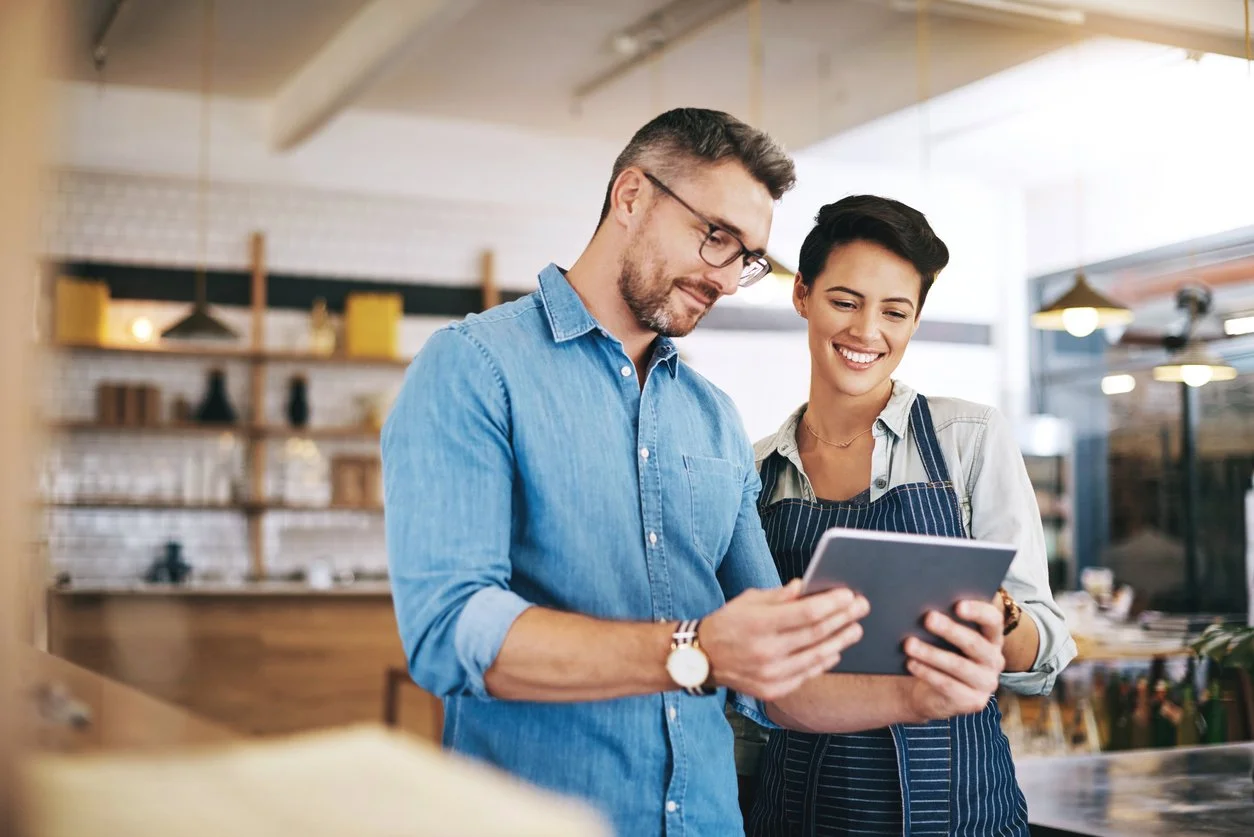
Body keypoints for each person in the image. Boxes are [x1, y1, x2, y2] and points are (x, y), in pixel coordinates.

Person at [382, 110, 1009, 837]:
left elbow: (779, 677)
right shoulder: (474, 369)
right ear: (630, 196)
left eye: (745, 258)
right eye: (715, 236)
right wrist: (696, 649)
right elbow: (449, 629)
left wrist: (920, 699)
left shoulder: (712, 416)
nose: (726, 278)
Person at [742, 195, 1077, 836]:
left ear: (914, 320)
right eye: (845, 301)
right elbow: (749, 694)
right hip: (801, 810)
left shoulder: (968, 438)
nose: (868, 332)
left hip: (963, 807)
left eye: (895, 311)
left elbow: (1047, 652)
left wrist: (998, 614)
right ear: (802, 296)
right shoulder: (756, 472)